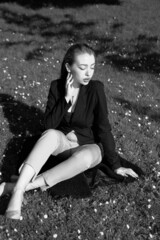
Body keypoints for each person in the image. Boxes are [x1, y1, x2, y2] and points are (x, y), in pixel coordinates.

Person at [0, 43, 138, 220]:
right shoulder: (56, 87)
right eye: (82, 67)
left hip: (88, 147)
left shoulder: (96, 89)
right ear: (68, 67)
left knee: (86, 157)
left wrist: (116, 166)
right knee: (49, 135)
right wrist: (65, 99)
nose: (89, 73)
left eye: (92, 67)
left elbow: (104, 128)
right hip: (62, 144)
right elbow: (48, 125)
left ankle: (19, 187)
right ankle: (18, 192)